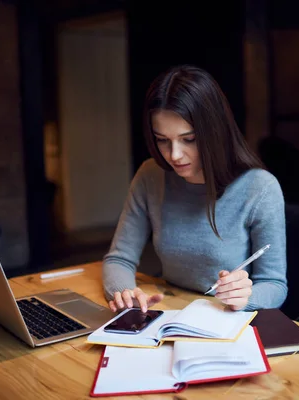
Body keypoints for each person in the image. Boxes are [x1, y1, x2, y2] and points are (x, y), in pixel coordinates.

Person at [102, 65, 287, 313]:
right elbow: (119, 258)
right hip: (173, 309)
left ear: (215, 132)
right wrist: (124, 293)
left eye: (188, 139)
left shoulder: (260, 188)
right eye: (162, 140)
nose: (174, 155)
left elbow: (274, 285)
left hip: (229, 321)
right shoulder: (151, 175)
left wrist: (246, 296)